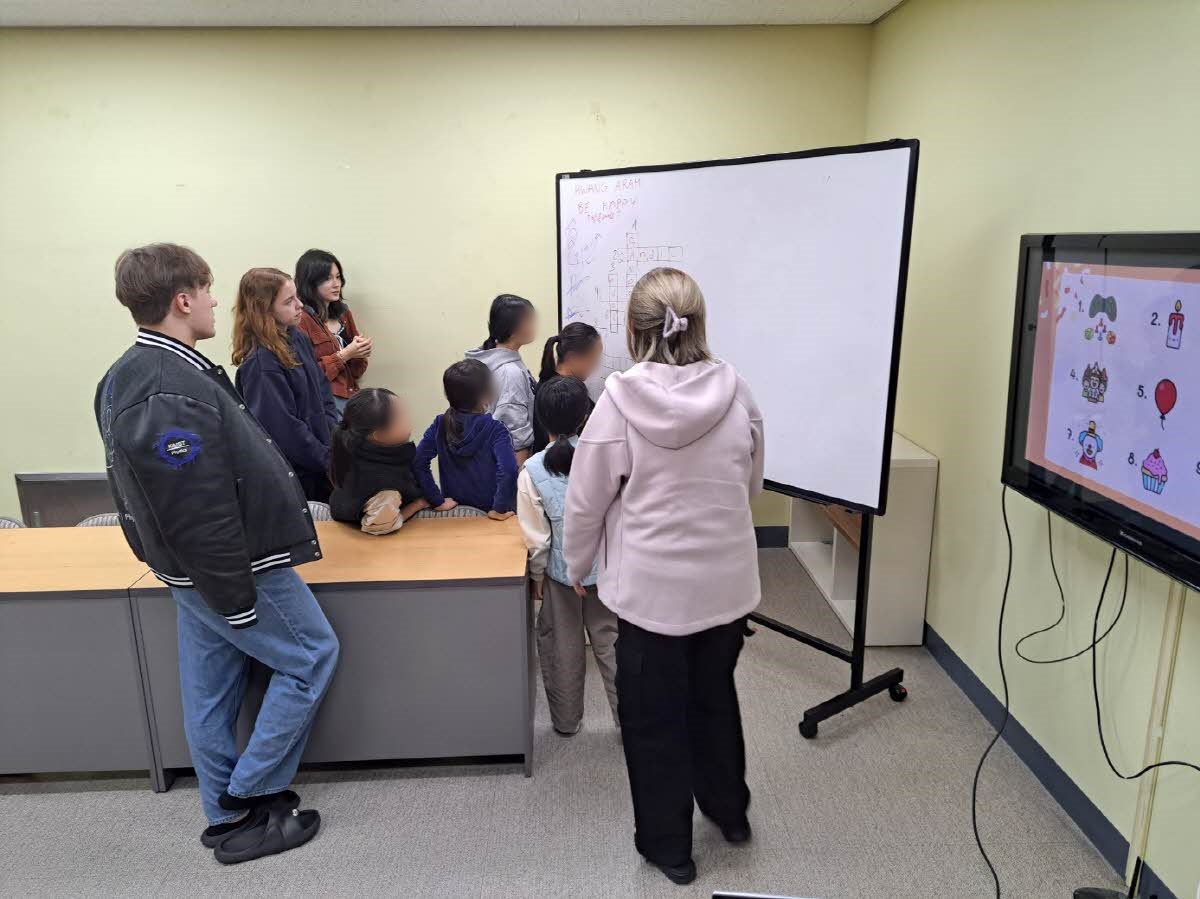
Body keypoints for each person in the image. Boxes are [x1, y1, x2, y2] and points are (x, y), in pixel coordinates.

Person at [95, 243, 337, 864]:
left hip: (199, 570)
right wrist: (233, 596)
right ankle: (249, 792)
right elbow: (194, 507)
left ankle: (227, 817)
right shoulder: (164, 386)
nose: (213, 301)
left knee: (211, 690)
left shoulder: (140, 371)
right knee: (311, 655)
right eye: (205, 291)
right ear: (182, 300)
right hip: (231, 568)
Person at [564, 267, 764, 886]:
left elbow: (585, 501)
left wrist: (577, 565)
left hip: (650, 597)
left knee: (653, 722)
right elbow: (751, 482)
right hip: (726, 588)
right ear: (699, 322)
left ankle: (670, 847)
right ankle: (729, 813)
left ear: (632, 328)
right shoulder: (737, 391)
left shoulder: (617, 404)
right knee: (714, 697)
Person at [518, 376, 618, 736]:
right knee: (614, 644)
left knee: (561, 647)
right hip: (608, 572)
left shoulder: (532, 471)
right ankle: (632, 722)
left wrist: (537, 577)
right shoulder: (609, 459)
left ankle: (565, 721)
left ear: (541, 419)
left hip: (560, 575)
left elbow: (537, 539)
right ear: (586, 416)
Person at [233, 267, 338, 503]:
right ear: (264, 309)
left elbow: (324, 394)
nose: (300, 305)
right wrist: (327, 460)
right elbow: (284, 430)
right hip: (297, 475)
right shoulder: (261, 363)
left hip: (322, 459)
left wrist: (334, 441)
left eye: (297, 297)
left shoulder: (298, 338)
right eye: (289, 301)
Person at [414, 359, 518, 519]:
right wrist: (500, 508)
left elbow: (418, 461)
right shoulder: (496, 429)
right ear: (486, 394)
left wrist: (436, 500)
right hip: (491, 515)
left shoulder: (440, 424)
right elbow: (508, 470)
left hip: (457, 513)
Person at [329, 388, 430, 534]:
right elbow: (380, 527)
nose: (409, 421)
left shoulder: (358, 448)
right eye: (401, 418)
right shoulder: (385, 491)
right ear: (380, 435)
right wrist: (419, 503)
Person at [295, 249, 371, 416]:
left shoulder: (344, 313)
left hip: (351, 396)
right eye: (327, 279)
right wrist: (344, 355)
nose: (336, 284)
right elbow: (305, 375)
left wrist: (360, 352)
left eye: (338, 277)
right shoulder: (301, 319)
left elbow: (357, 371)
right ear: (310, 282)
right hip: (323, 402)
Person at [465, 294, 537, 465]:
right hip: (509, 465)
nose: (534, 326)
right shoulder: (509, 372)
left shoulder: (501, 360)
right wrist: (518, 477)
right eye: (529, 321)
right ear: (513, 330)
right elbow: (514, 434)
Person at [530, 321, 602, 455]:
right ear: (572, 358)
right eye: (593, 360)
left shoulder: (548, 383)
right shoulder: (564, 395)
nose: (595, 367)